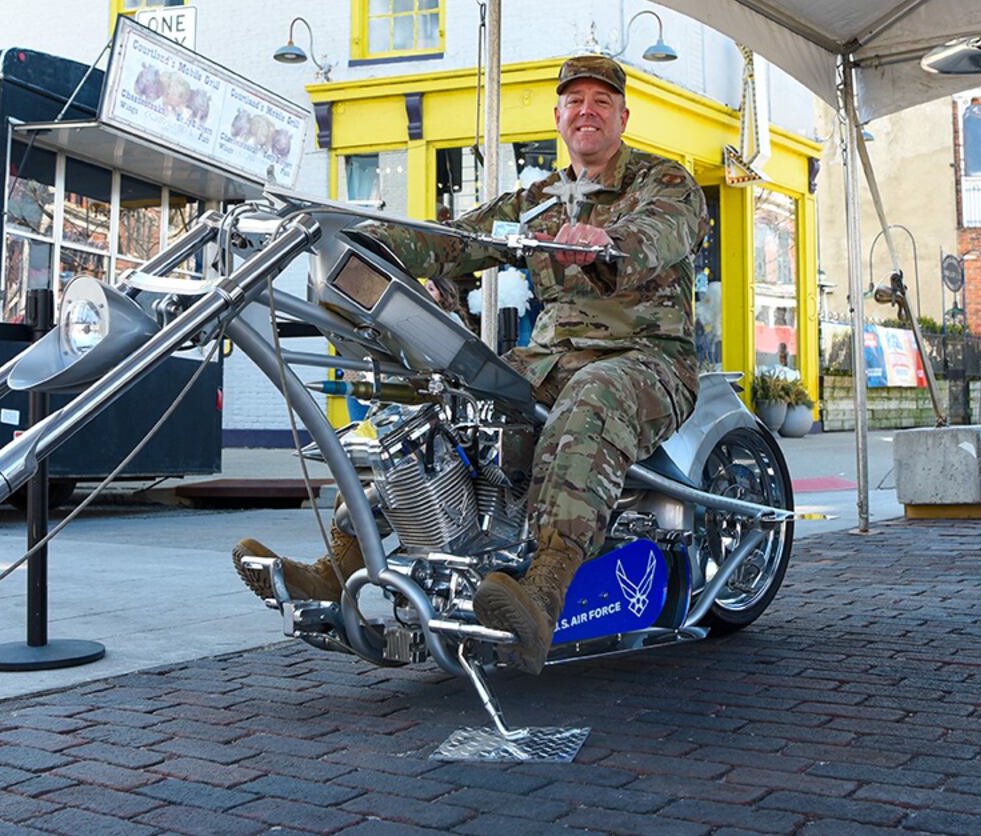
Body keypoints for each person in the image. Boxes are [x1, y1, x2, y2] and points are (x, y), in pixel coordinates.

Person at [234, 55, 707, 673]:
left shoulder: (662, 181)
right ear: (559, 116)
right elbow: (458, 240)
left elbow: (663, 230)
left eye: (600, 101)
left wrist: (607, 241)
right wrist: (365, 242)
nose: (586, 111)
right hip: (550, 359)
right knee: (444, 398)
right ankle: (342, 566)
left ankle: (543, 595)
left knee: (592, 399)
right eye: (574, 101)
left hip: (646, 360)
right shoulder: (539, 200)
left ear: (622, 114)